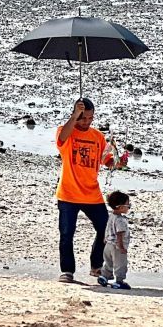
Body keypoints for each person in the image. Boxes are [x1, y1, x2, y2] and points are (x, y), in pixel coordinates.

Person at [55, 97, 115, 283]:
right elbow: (62, 138)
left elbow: (107, 160)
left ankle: (96, 265)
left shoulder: (97, 136)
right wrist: (74, 116)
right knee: (67, 233)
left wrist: (117, 163)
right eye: (83, 118)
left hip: (92, 194)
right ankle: (67, 271)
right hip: (68, 193)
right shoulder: (67, 132)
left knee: (105, 228)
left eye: (90, 118)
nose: (87, 122)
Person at [98, 191, 132, 289]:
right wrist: (121, 247)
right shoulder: (120, 220)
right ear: (120, 207)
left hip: (108, 245)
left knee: (108, 262)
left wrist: (105, 238)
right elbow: (119, 234)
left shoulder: (111, 216)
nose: (128, 207)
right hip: (116, 246)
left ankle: (104, 276)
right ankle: (119, 281)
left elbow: (108, 228)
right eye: (127, 205)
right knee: (120, 264)